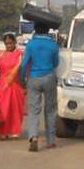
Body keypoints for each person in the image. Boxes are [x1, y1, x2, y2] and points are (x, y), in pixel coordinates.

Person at [21, 21, 61, 151]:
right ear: (48, 30)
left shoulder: (31, 45)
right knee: (50, 110)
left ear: (35, 30)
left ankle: (33, 136)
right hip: (49, 77)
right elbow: (56, 63)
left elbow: (24, 64)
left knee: (33, 110)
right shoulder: (53, 45)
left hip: (34, 78)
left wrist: (22, 79)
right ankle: (50, 141)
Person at [0, 32, 26, 140]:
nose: (9, 45)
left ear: (14, 43)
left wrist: (25, 85)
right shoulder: (1, 55)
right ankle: (2, 131)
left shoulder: (20, 55)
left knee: (15, 109)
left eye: (11, 43)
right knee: (3, 109)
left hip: (16, 86)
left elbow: (24, 70)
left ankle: (14, 130)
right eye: (7, 43)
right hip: (3, 86)